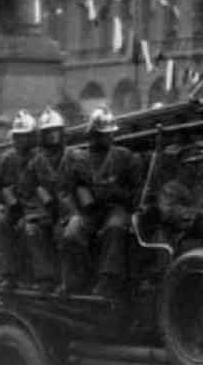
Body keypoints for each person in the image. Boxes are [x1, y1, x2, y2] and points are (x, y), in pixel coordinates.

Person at [59, 107, 142, 297]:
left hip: (115, 207)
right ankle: (77, 279)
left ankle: (108, 279)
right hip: (87, 209)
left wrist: (118, 193)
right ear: (91, 134)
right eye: (99, 134)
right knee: (72, 232)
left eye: (108, 134)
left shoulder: (125, 156)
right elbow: (64, 190)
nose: (105, 138)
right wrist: (72, 212)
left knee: (115, 228)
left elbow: (136, 191)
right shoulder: (76, 158)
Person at [0, 110, 38, 289]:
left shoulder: (41, 159)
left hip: (37, 210)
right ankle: (7, 274)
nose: (21, 140)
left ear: (33, 137)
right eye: (17, 136)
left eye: (25, 136)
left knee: (28, 228)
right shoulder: (4, 160)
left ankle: (32, 276)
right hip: (11, 210)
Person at [16, 107, 67, 293]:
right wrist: (40, 212)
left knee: (67, 231)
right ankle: (46, 278)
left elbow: (83, 187)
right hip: (44, 212)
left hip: (70, 209)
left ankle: (69, 280)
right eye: (48, 134)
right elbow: (27, 191)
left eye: (55, 133)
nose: (52, 138)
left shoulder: (74, 157)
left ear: (61, 133)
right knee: (32, 230)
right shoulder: (35, 162)